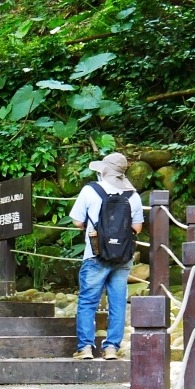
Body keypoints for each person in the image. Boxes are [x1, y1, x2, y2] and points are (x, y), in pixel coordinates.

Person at [69, 152, 144, 360]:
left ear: (103, 171)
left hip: (95, 254)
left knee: (87, 302)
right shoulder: (133, 196)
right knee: (118, 302)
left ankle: (85, 348)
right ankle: (111, 347)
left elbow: (76, 221)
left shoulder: (90, 190)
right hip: (122, 257)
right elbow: (137, 227)